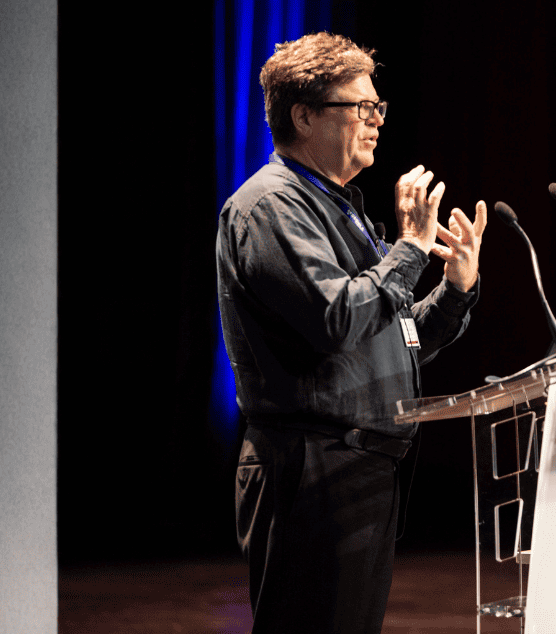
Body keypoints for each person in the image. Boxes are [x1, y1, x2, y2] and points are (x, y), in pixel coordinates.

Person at [216, 32, 487, 633]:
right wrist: (412, 246)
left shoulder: (340, 208)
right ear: (304, 115)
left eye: (378, 108)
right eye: (359, 108)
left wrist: (456, 290)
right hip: (309, 468)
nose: (375, 122)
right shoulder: (269, 208)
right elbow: (338, 319)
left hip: (359, 470)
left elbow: (389, 335)